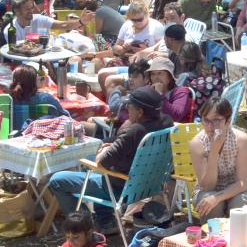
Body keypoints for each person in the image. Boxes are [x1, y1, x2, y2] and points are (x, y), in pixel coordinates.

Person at [48, 86, 174, 234]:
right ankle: (105, 220)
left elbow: (102, 161)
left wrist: (104, 149)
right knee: (96, 168)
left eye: (130, 106)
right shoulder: (166, 123)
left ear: (140, 112)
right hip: (150, 184)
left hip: (120, 189)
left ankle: (86, 225)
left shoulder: (135, 131)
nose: (127, 108)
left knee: (57, 180)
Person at [190, 98, 247, 220]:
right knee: (209, 204)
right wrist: (214, 151)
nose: (209, 127)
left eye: (216, 120)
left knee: (239, 203)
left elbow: (242, 183)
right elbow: (208, 186)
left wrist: (218, 198)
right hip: (209, 190)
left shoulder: (241, 140)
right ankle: (213, 237)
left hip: (238, 188)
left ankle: (240, 237)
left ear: (228, 121)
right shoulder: (197, 143)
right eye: (206, 120)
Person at [6, 0, 84, 42]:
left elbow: (63, 25)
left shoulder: (38, 19)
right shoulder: (10, 30)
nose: (31, 11)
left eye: (32, 8)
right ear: (17, 11)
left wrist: (81, 22)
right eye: (27, 9)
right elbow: (15, 54)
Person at [146, 56, 193, 123]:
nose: (156, 77)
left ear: (169, 76)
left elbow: (176, 116)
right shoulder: (149, 91)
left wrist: (160, 95)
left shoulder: (181, 92)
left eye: (160, 73)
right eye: (153, 74)